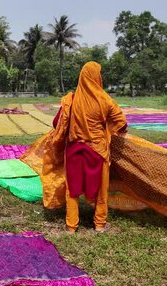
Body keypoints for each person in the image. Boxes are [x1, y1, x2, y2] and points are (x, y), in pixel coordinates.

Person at [51, 61, 127, 233]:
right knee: (101, 190)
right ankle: (99, 224)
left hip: (74, 150)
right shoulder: (106, 100)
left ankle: (71, 226)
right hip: (98, 151)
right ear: (97, 77)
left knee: (73, 189)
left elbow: (56, 122)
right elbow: (122, 124)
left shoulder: (71, 100)